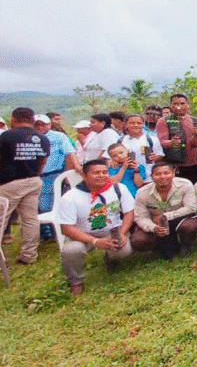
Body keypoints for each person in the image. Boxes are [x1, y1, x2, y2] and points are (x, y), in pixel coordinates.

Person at [55, 159, 134, 296]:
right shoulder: (70, 197)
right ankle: (76, 281)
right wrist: (95, 241)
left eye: (104, 172)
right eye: (96, 173)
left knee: (124, 250)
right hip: (82, 234)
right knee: (71, 251)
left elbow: (129, 213)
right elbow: (67, 228)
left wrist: (122, 233)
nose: (102, 175)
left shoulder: (118, 188)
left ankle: (110, 258)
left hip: (111, 230)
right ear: (85, 176)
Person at [0, 108, 50, 264]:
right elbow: (43, 161)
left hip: (9, 183)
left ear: (13, 120)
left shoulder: (6, 136)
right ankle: (29, 255)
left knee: (1, 220)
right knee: (30, 219)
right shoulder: (42, 138)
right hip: (33, 181)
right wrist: (34, 173)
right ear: (32, 120)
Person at [130, 161, 197, 259]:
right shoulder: (142, 193)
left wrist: (166, 216)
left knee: (190, 226)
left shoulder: (185, 184)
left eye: (166, 173)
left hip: (179, 219)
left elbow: (191, 208)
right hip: (156, 223)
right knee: (138, 240)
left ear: (173, 173)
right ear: (152, 176)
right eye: (158, 174)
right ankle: (158, 246)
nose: (162, 177)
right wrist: (153, 227)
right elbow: (141, 217)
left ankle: (186, 244)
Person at [33, 114, 79, 241]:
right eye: (37, 124)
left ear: (49, 125)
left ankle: (52, 232)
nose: (40, 127)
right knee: (35, 205)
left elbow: (70, 152)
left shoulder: (58, 137)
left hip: (51, 175)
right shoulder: (29, 137)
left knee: (46, 205)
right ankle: (43, 233)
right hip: (31, 175)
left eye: (43, 124)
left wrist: (77, 166)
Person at [156, 93, 197, 183]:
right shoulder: (164, 121)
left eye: (182, 103)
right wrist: (171, 143)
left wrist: (196, 135)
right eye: (176, 104)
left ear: (187, 105)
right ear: (171, 106)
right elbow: (162, 142)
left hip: (192, 164)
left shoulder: (195, 120)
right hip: (173, 164)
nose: (179, 106)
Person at [116, 114, 164, 182]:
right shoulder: (120, 140)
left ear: (143, 125)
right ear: (126, 125)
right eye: (132, 123)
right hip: (126, 178)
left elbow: (160, 155)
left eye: (139, 123)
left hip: (148, 177)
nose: (136, 125)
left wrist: (155, 157)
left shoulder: (151, 140)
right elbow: (112, 157)